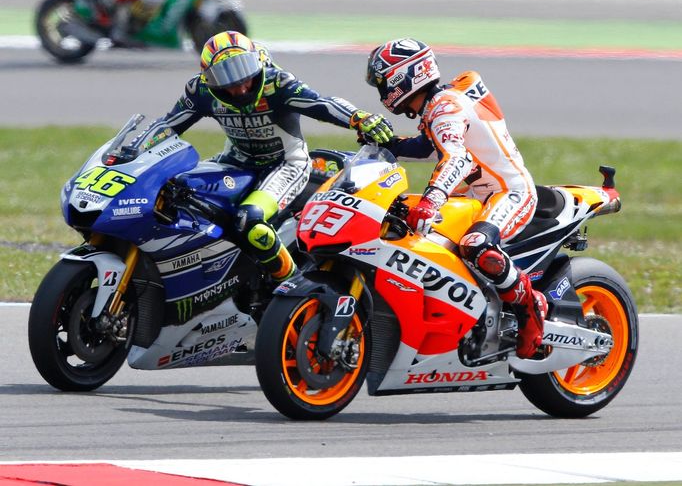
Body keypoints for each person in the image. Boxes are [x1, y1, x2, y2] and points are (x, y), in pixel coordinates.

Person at [130, 30, 393, 282]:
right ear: (208, 78)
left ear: (257, 62)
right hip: (234, 162)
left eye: (243, 71)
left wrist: (359, 118)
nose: (239, 86)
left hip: (284, 165)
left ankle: (292, 286)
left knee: (251, 221)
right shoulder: (200, 91)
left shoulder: (278, 84)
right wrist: (131, 150)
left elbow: (322, 103)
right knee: (177, 192)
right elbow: (167, 127)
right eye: (224, 76)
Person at [365, 38, 547, 359]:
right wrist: (387, 145)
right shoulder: (437, 106)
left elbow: (457, 158)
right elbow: (425, 146)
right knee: (416, 240)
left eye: (382, 82)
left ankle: (530, 306)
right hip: (473, 197)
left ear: (402, 77)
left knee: (476, 246)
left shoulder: (446, 106)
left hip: (510, 192)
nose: (381, 92)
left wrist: (431, 200)